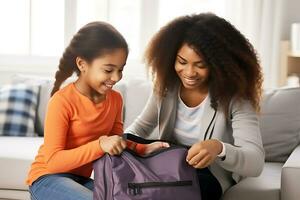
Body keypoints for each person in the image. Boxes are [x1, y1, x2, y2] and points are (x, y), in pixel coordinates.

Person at [126, 13, 265, 200]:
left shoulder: (236, 99)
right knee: (125, 140)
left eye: (201, 65)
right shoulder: (167, 87)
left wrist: (218, 148)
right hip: (168, 163)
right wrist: (119, 144)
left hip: (205, 175)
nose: (189, 73)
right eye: (182, 62)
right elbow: (141, 128)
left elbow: (255, 162)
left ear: (219, 65)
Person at [26, 21, 168, 200]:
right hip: (47, 178)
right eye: (108, 70)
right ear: (82, 64)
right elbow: (53, 162)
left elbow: (116, 141)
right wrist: (100, 145)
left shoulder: (115, 99)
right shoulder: (61, 101)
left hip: (81, 179)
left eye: (120, 70)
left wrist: (141, 149)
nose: (116, 77)